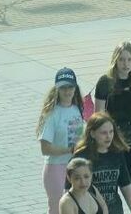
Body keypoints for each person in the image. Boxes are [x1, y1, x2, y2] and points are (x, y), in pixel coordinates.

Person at [94, 43, 131, 214]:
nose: (126, 64)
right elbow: (98, 116)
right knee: (110, 187)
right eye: (121, 59)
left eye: (129, 59)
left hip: (130, 139)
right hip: (110, 139)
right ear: (115, 60)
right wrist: (100, 146)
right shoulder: (105, 82)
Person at [38, 67, 86, 214]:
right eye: (63, 88)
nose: (67, 91)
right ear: (57, 89)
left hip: (75, 165)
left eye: (70, 87)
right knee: (57, 209)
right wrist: (68, 150)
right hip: (55, 167)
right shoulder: (52, 114)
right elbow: (45, 148)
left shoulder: (78, 109)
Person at [71, 112, 131, 214]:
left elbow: (126, 186)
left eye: (111, 132)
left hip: (115, 210)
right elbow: (69, 190)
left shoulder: (117, 153)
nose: (109, 136)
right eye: (104, 133)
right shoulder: (81, 156)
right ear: (92, 133)